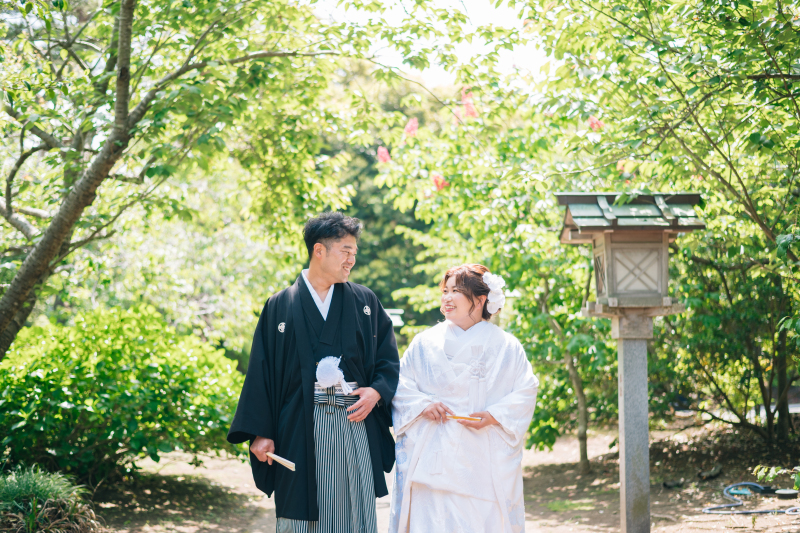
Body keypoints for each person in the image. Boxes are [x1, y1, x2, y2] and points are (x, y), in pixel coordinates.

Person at [227, 212, 400, 533]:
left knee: (352, 511)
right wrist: (261, 432)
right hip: (296, 426)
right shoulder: (279, 306)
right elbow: (260, 374)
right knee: (298, 512)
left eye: (354, 253)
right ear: (319, 251)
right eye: (345, 251)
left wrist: (376, 391)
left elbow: (388, 360)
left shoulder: (364, 301)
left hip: (353, 421)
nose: (352, 260)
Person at [388, 264, 539, 533]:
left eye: (456, 291)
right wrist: (423, 405)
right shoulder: (424, 343)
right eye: (444, 290)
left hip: (480, 457)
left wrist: (494, 415)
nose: (446, 297)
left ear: (481, 299)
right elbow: (401, 384)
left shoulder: (506, 346)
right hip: (432, 457)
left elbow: (526, 390)